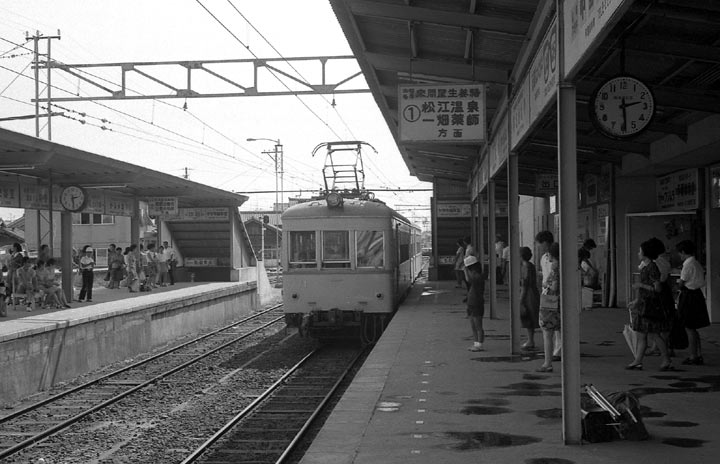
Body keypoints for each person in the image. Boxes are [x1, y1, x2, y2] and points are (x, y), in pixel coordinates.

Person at [625, 240, 673, 371]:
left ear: (645, 253)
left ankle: (666, 359)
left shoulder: (652, 267)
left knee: (654, 334)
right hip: (644, 304)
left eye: (640, 251)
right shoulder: (647, 267)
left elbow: (657, 288)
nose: (638, 253)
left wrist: (640, 285)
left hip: (650, 306)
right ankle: (638, 360)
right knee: (643, 334)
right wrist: (636, 301)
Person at [676, 240, 710, 366]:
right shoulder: (696, 263)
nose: (679, 255)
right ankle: (698, 354)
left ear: (683, 252)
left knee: (689, 327)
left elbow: (682, 282)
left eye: (680, 253)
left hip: (689, 296)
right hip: (697, 294)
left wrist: (678, 284)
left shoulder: (688, 265)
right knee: (693, 327)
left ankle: (693, 355)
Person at [535, 230, 562, 361]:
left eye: (539, 243)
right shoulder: (544, 258)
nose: (538, 246)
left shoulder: (556, 258)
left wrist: (547, 284)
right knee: (551, 325)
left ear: (545, 242)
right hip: (547, 294)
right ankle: (553, 352)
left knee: (553, 325)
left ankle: (558, 351)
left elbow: (555, 281)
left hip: (554, 294)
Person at [519, 246, 540, 350]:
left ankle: (530, 340)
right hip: (534, 292)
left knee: (527, 316)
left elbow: (525, 285)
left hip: (528, 295)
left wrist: (521, 300)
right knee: (530, 316)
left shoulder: (525, 267)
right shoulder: (531, 265)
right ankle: (530, 340)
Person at [464, 255, 485, 352]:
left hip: (477, 302)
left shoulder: (478, 276)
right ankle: (476, 343)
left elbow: (469, 280)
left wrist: (465, 271)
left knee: (478, 325)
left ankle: (479, 344)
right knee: (473, 324)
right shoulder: (476, 274)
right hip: (472, 302)